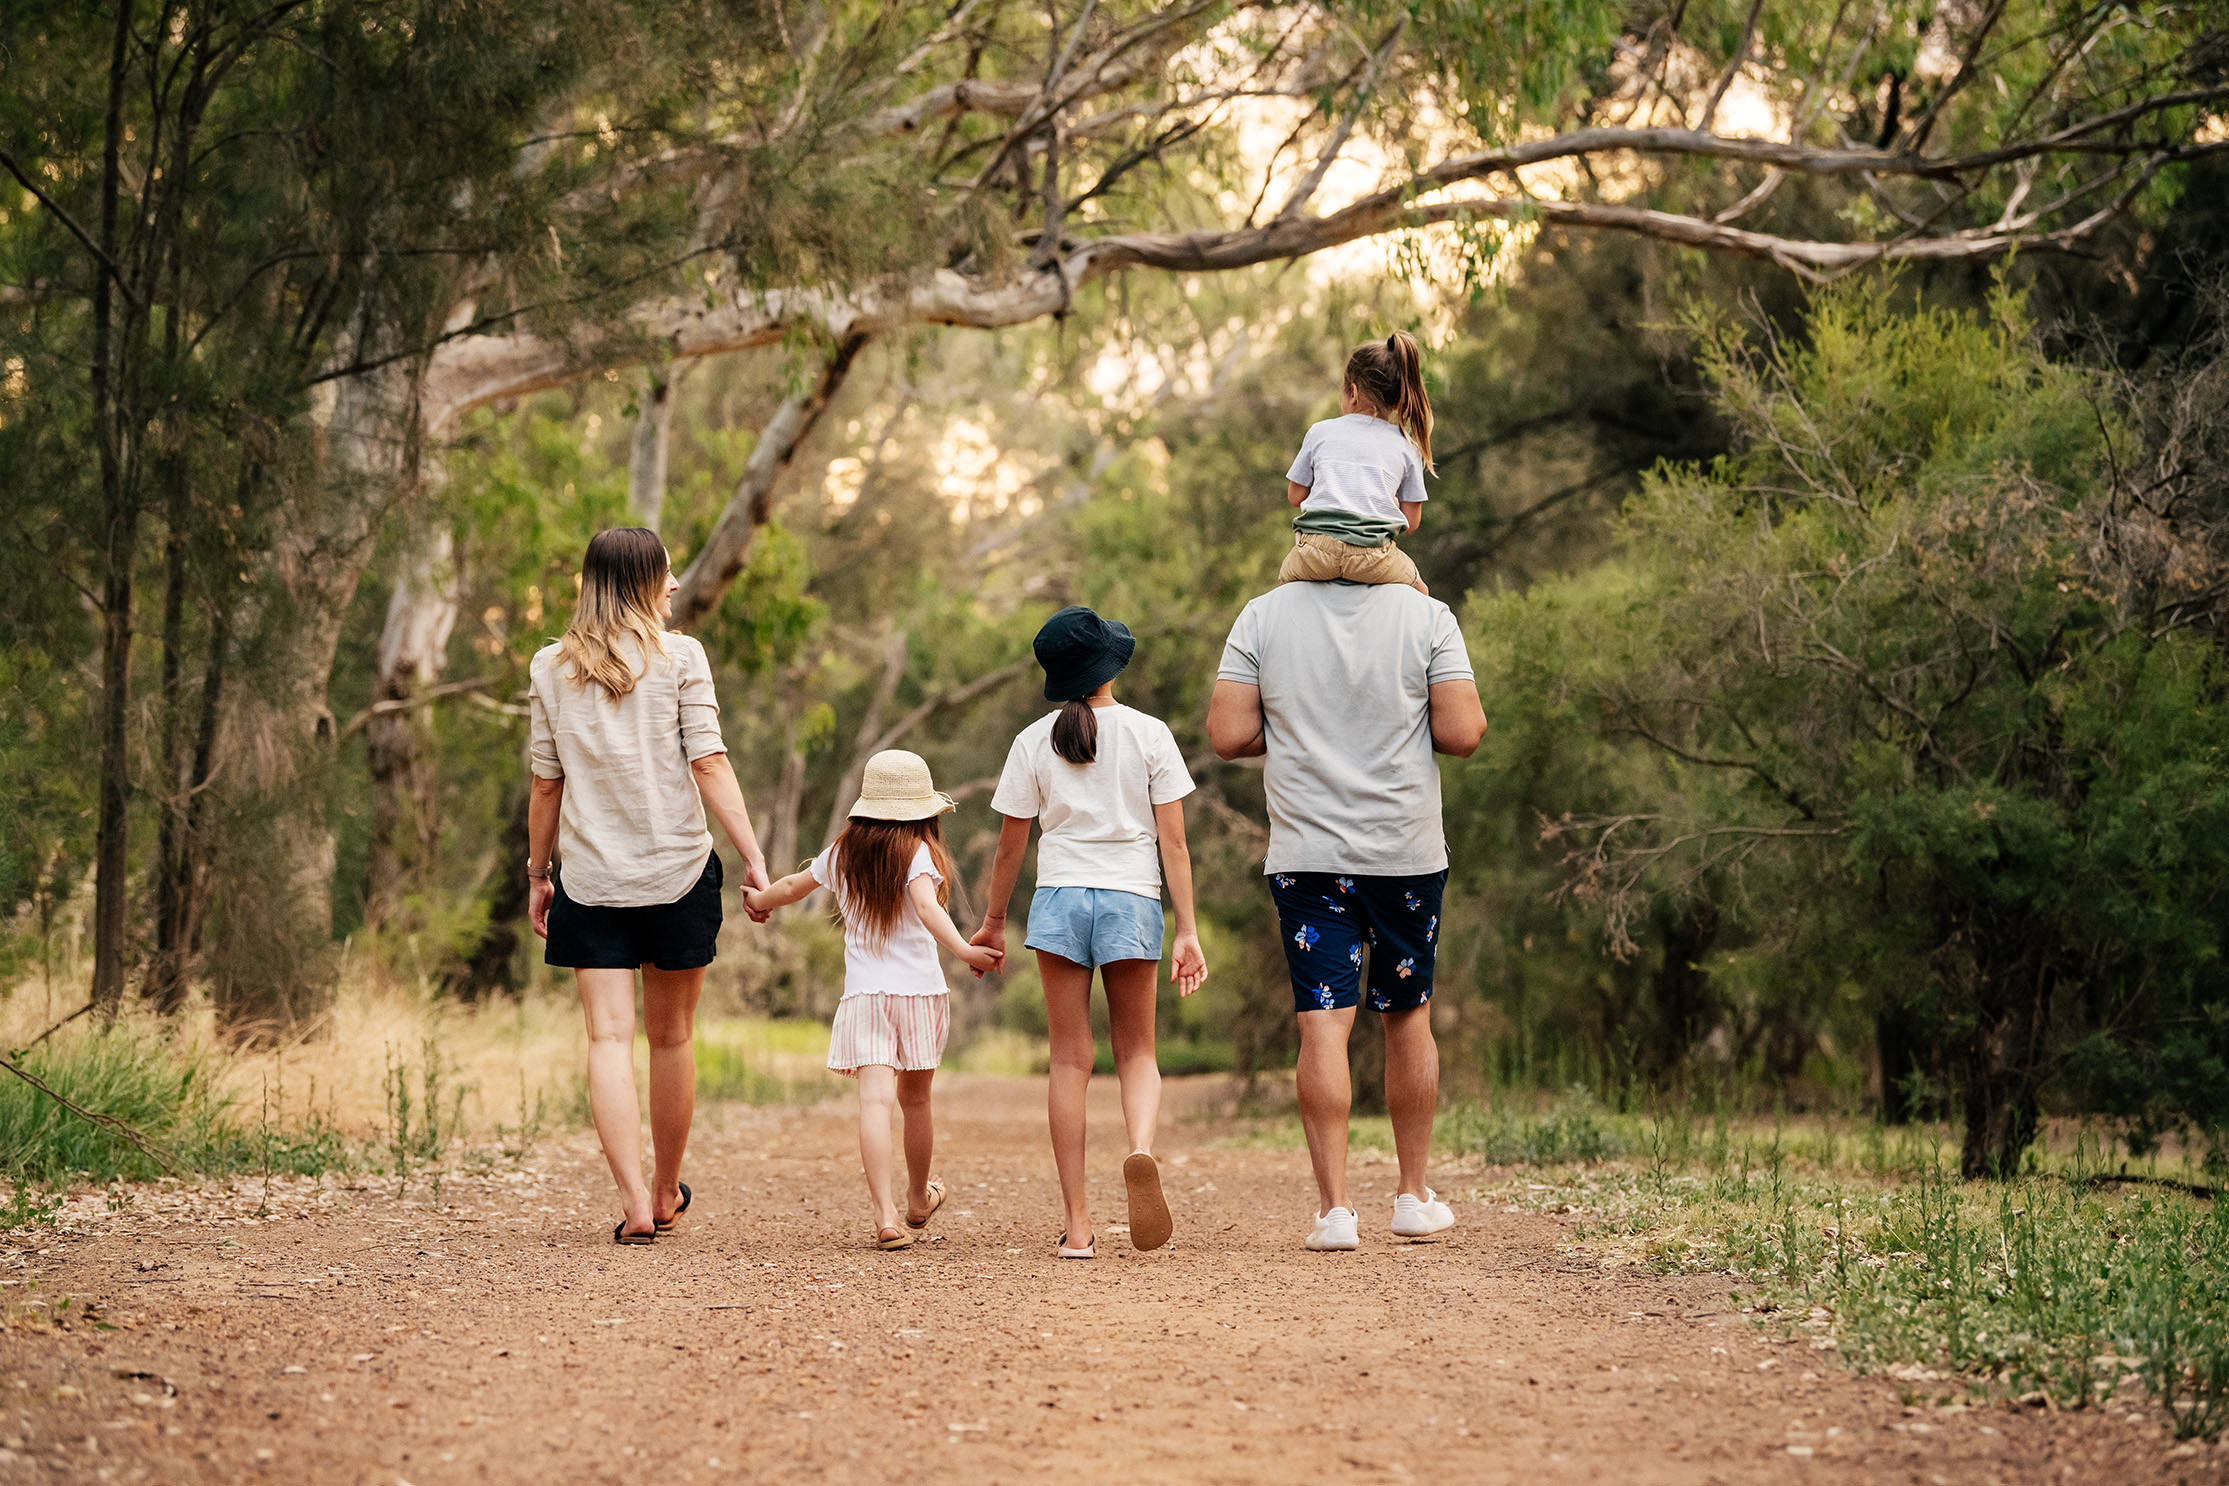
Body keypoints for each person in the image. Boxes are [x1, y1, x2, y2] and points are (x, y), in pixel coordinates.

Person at [1205, 578, 1487, 1251]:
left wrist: (1302, 724)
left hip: (1307, 852)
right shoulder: (1428, 617)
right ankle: (1413, 1197)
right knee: (1407, 1013)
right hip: (1404, 854)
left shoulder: (1261, 616)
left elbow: (1226, 733)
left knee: (1322, 1024)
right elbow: (1463, 731)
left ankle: (1334, 1213)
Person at [526, 527, 773, 1246]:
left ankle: (635, 1199)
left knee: (607, 1039)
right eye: (665, 575)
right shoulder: (680, 658)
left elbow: (547, 783)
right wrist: (753, 858)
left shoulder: (548, 667)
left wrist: (538, 875)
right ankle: (667, 1189)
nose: (673, 587)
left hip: (591, 879)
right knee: (671, 1038)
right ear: (641, 583)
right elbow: (710, 763)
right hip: (678, 872)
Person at [971, 607, 1208, 1259]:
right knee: (1136, 1052)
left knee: (1070, 1060)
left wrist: (992, 924)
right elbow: (1175, 842)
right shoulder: (1149, 733)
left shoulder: (1033, 740)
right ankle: (1139, 1149)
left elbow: (1008, 849)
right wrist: (1186, 929)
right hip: (1132, 895)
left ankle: (1077, 1226)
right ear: (1109, 667)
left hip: (1059, 898)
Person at [745, 750, 1002, 1251]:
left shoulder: (843, 851)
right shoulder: (918, 853)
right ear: (923, 812)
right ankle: (915, 1198)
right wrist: (967, 949)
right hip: (918, 994)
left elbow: (794, 887)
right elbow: (928, 909)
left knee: (875, 1103)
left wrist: (756, 901)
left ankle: (886, 1217)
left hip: (865, 996)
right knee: (917, 1101)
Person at [1278, 330, 1436, 594]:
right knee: (1421, 592)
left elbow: (1295, 496)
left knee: (1281, 593)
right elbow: (1411, 522)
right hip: (1373, 558)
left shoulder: (1320, 431)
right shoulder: (1407, 445)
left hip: (1315, 555)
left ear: (1352, 392)